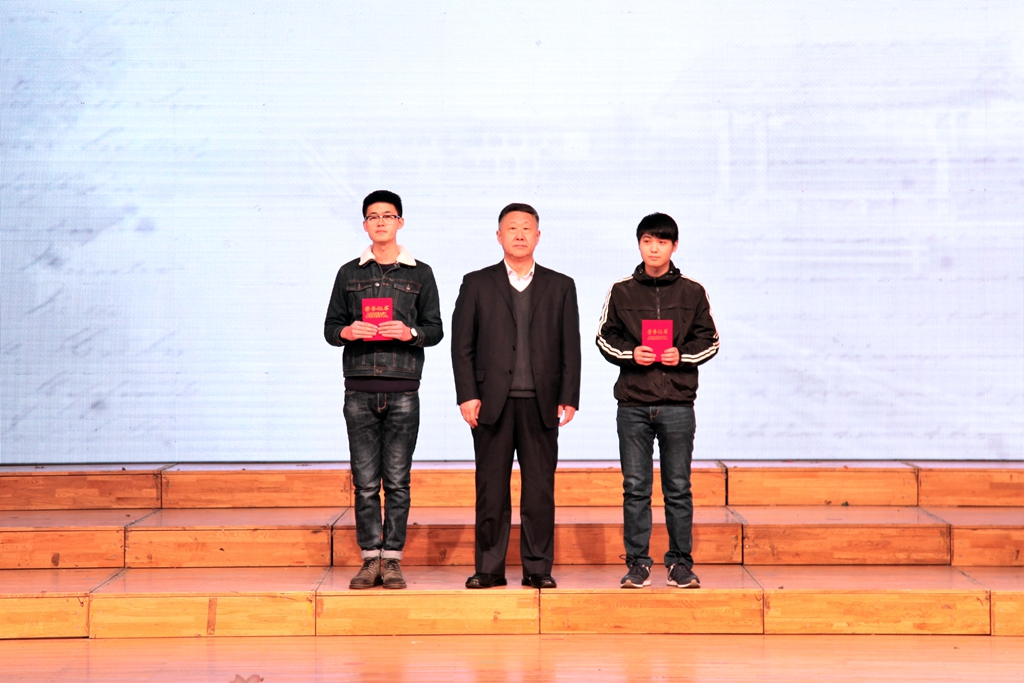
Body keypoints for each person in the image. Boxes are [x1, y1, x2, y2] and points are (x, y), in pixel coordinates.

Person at [451, 203, 581, 589]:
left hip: (542, 403)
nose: (519, 234)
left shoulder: (560, 285)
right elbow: (462, 346)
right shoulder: (476, 283)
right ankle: (489, 568)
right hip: (491, 403)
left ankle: (538, 568)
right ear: (499, 236)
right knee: (491, 489)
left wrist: (568, 395)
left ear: (538, 236)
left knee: (539, 491)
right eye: (512, 228)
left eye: (527, 228)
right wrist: (467, 395)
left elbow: (570, 346)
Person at [324, 190, 443, 589]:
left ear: (400, 222)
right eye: (373, 216)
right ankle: (369, 560)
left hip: (403, 389)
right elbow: (330, 328)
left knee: (396, 481)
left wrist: (409, 333)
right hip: (358, 389)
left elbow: (435, 330)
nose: (380, 222)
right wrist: (348, 331)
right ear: (364, 225)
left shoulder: (420, 273)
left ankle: (391, 560)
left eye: (388, 216)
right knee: (363, 482)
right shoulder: (348, 273)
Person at [596, 212, 719, 589]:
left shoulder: (692, 291)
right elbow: (604, 338)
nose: (654, 248)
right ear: (639, 244)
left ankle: (680, 563)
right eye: (647, 241)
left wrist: (681, 355)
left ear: (674, 246)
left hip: (677, 405)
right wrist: (632, 353)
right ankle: (638, 563)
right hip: (633, 404)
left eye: (662, 242)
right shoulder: (621, 291)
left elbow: (710, 340)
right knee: (635, 487)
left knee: (678, 487)